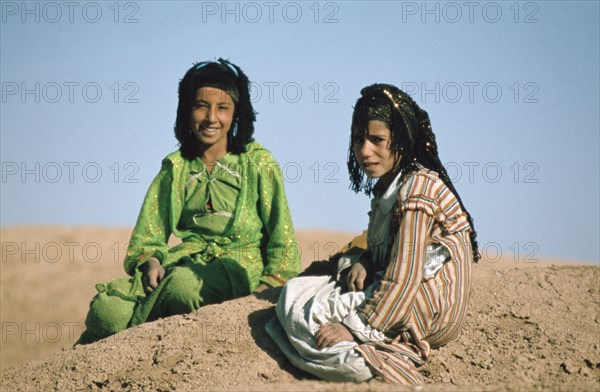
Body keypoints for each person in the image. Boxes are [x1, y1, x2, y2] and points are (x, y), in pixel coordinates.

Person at [77, 59, 301, 344]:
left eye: (223, 108)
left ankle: (132, 339)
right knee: (106, 309)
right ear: (186, 110)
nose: (211, 118)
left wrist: (267, 290)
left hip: (239, 267)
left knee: (183, 288)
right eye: (201, 106)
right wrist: (152, 262)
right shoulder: (176, 167)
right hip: (182, 263)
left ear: (236, 113)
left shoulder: (258, 163)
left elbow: (283, 240)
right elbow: (148, 236)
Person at [267, 83, 479, 384]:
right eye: (358, 140)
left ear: (402, 141)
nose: (365, 151)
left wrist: (353, 328)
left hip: (423, 311)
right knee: (298, 297)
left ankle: (374, 355)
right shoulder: (392, 188)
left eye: (377, 140)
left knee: (296, 300)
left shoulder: (418, 191)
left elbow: (404, 276)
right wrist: (366, 260)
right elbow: (392, 254)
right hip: (404, 300)